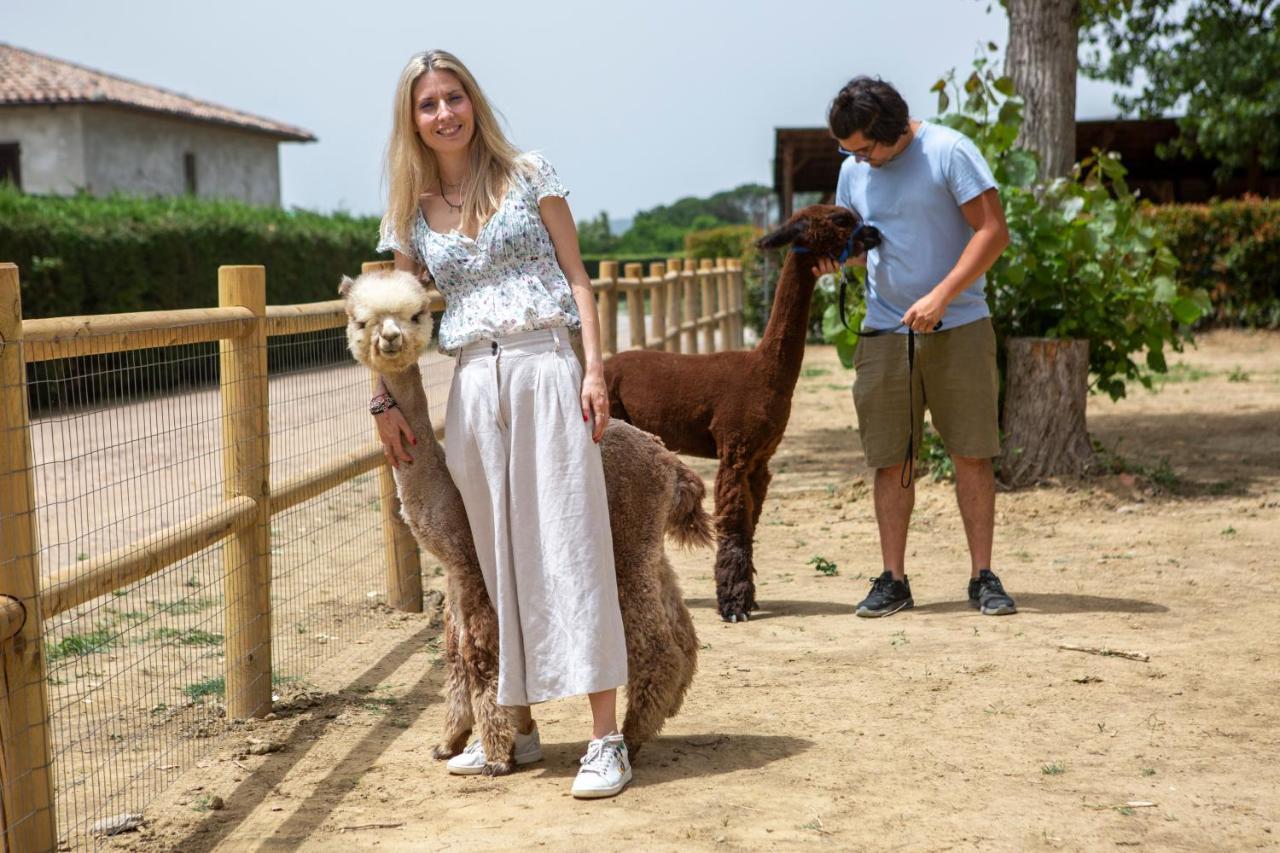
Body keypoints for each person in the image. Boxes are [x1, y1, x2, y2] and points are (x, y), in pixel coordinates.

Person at [371, 50, 631, 799]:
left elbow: (578, 277)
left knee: (569, 541)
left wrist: (593, 369)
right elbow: (396, 313)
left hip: (546, 363)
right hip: (473, 384)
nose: (445, 113)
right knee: (493, 559)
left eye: (454, 97)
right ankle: (511, 730)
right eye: (428, 104)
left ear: (473, 102)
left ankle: (605, 738)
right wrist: (385, 398)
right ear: (412, 119)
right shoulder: (407, 209)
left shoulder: (528, 172)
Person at [814, 76, 1017, 618]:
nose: (855, 159)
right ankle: (893, 581)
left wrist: (942, 296)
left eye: (861, 148)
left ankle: (983, 577)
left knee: (971, 453)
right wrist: (834, 257)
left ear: (891, 131)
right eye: (846, 150)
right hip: (884, 332)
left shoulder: (948, 151)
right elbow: (860, 246)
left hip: (960, 327)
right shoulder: (853, 169)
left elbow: (993, 231)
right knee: (889, 459)